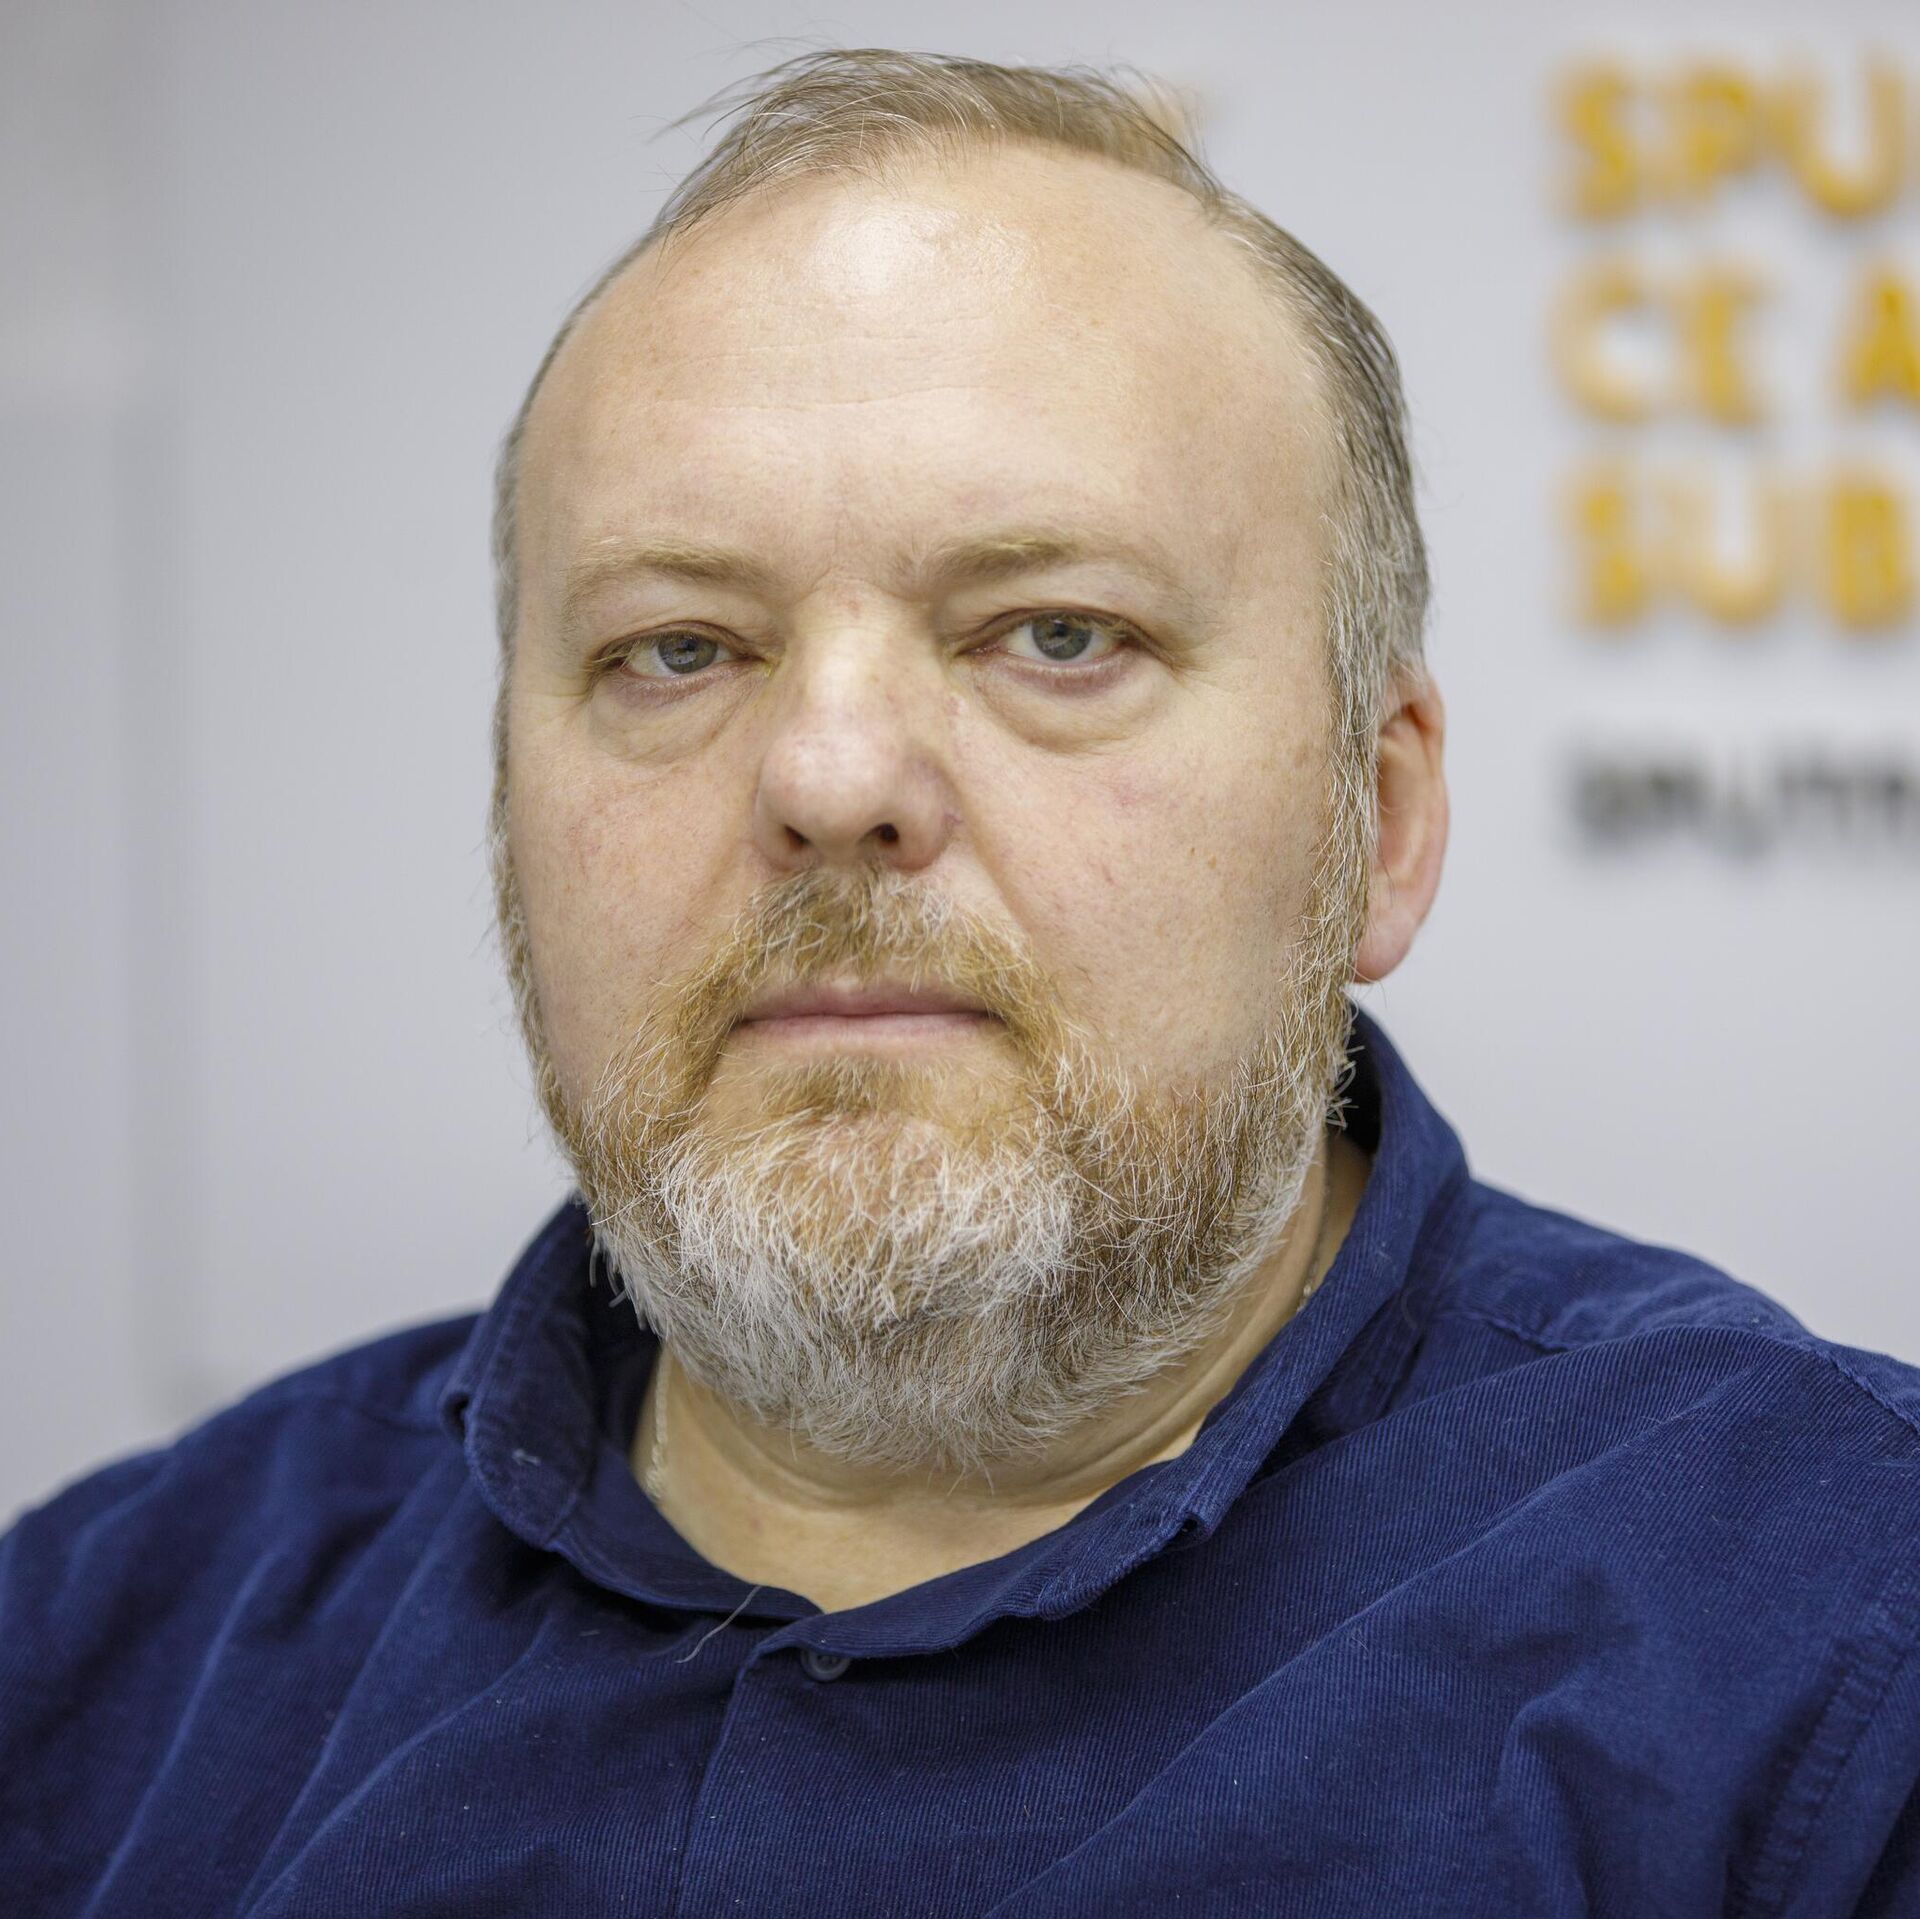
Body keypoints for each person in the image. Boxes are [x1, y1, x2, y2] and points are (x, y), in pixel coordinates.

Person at [4, 46, 1917, 1918]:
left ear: (1380, 822)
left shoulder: (1826, 1644)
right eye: (679, 649)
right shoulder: (99, 1659)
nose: (831, 779)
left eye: (1055, 634)